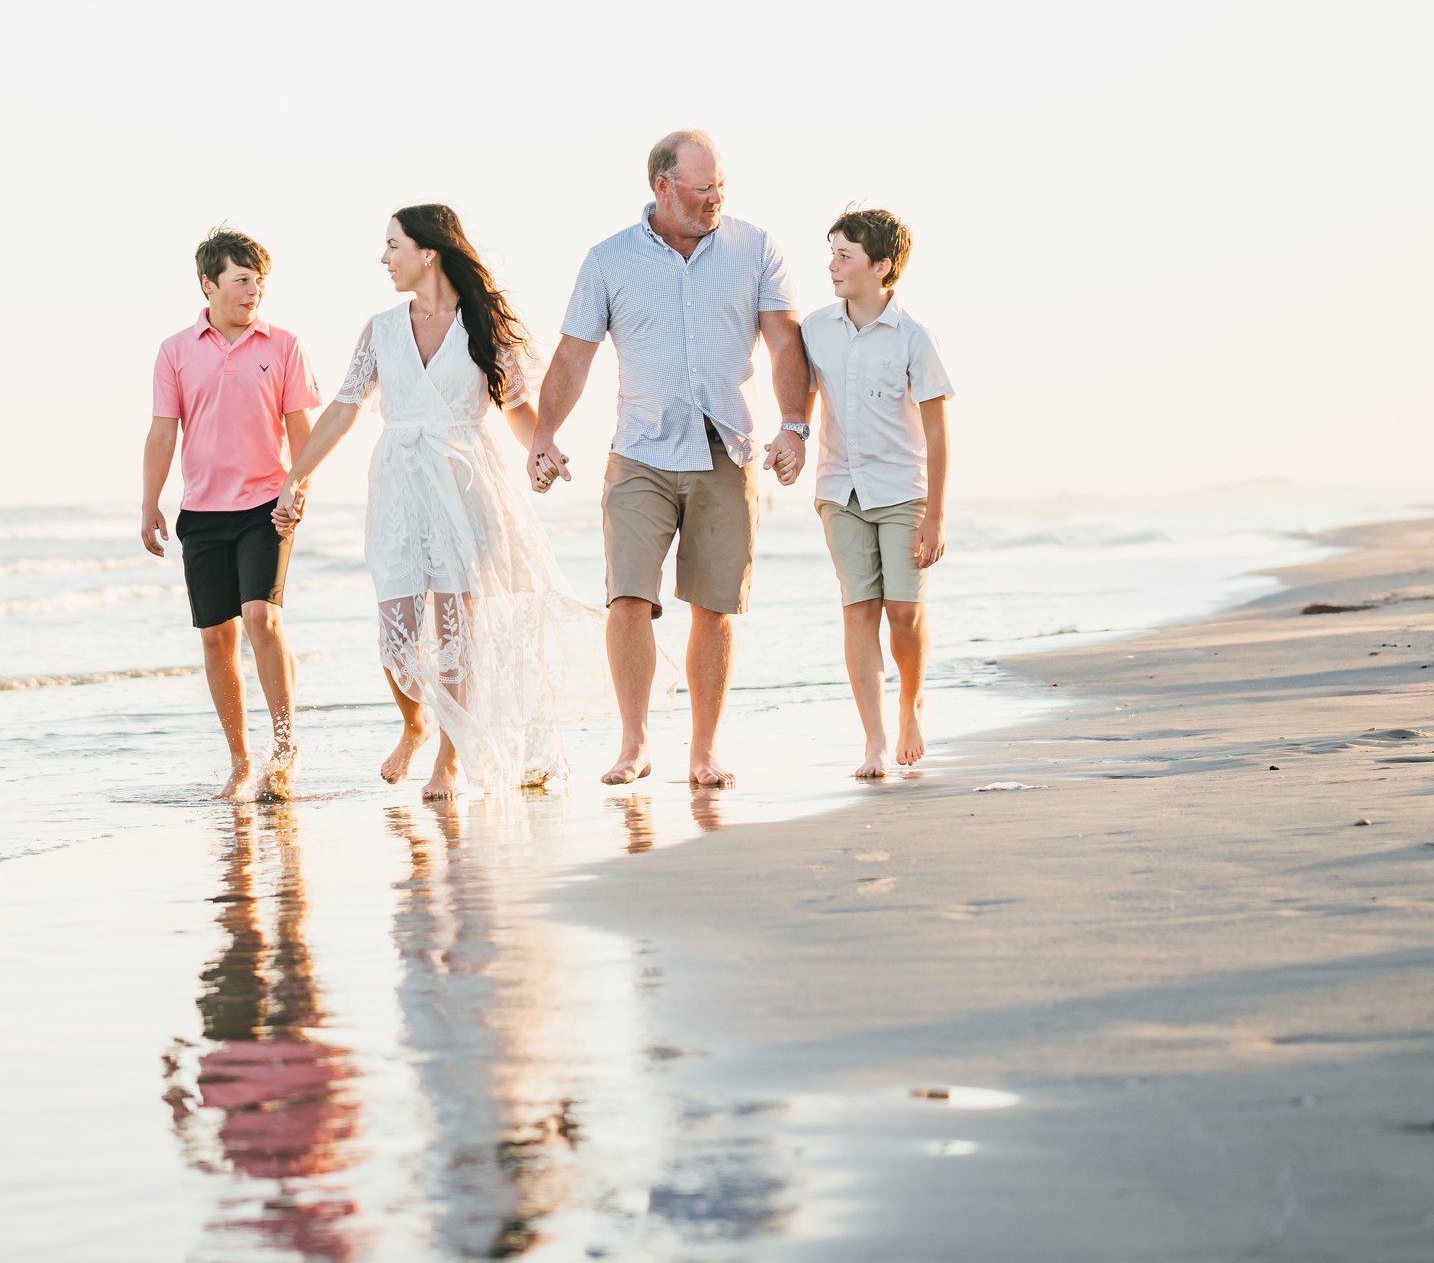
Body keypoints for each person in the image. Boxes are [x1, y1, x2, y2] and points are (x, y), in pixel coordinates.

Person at [274, 206, 608, 800]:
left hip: (465, 482)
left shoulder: (486, 326)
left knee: (457, 631)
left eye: (392, 246)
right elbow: (345, 408)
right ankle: (415, 723)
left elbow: (517, 410)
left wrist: (544, 448)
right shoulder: (380, 328)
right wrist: (297, 476)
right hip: (400, 481)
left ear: (428, 251)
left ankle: (448, 760)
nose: (384, 258)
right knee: (395, 635)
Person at [527, 130, 811, 788]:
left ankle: (704, 750)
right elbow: (573, 354)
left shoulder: (754, 248)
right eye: (700, 189)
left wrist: (796, 425)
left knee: (713, 605)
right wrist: (543, 435)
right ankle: (635, 743)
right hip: (640, 453)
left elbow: (785, 343)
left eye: (719, 188)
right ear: (661, 186)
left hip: (726, 449)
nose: (714, 200)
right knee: (627, 596)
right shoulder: (609, 259)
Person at [142, 228, 319, 802]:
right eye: (242, 281)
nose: (253, 293)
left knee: (260, 616)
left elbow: (301, 430)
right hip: (203, 511)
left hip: (267, 505)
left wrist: (299, 487)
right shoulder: (175, 351)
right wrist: (150, 502)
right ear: (209, 285)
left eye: (259, 282)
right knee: (217, 638)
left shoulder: (284, 345)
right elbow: (163, 431)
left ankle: (285, 747)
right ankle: (242, 763)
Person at [802, 207, 954, 780]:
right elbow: (799, 397)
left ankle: (911, 707)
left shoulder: (915, 339)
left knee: (905, 614)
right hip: (839, 488)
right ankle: (874, 741)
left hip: (902, 492)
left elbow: (938, 435)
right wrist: (790, 437)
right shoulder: (814, 329)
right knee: (859, 610)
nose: (833, 266)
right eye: (832, 253)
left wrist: (935, 516)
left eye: (845, 255)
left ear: (882, 266)